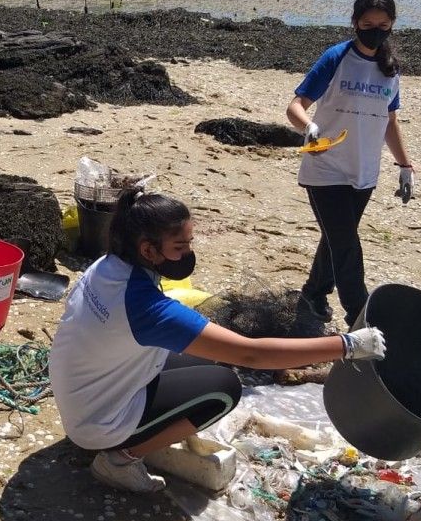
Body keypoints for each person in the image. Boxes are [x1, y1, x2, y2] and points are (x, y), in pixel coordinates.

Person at [49, 188, 387, 493]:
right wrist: (347, 345)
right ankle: (121, 458)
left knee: (206, 358)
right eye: (180, 247)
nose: (188, 254)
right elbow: (251, 354)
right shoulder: (145, 307)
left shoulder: (108, 265)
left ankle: (139, 427)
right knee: (223, 388)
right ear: (148, 250)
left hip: (79, 395)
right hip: (94, 423)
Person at [286, 0, 414, 328]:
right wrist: (309, 127)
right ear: (355, 22)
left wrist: (405, 166)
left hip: (364, 172)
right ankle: (361, 314)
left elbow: (390, 121)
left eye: (383, 24)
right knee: (346, 246)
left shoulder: (390, 69)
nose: (375, 30)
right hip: (324, 168)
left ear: (392, 25)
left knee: (335, 239)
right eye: (367, 23)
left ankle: (312, 295)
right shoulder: (336, 57)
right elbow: (295, 106)